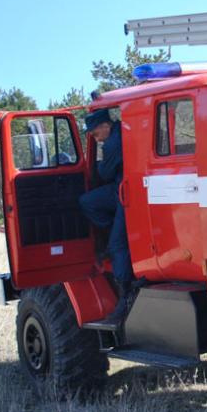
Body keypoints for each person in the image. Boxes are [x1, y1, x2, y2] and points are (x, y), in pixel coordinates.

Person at [78, 108, 134, 322]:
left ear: (105, 126)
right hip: (121, 188)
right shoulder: (124, 130)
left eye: (95, 134)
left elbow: (105, 173)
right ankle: (114, 230)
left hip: (125, 192)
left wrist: (101, 162)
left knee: (117, 245)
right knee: (88, 202)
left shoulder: (111, 144)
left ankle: (126, 296)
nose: (96, 139)